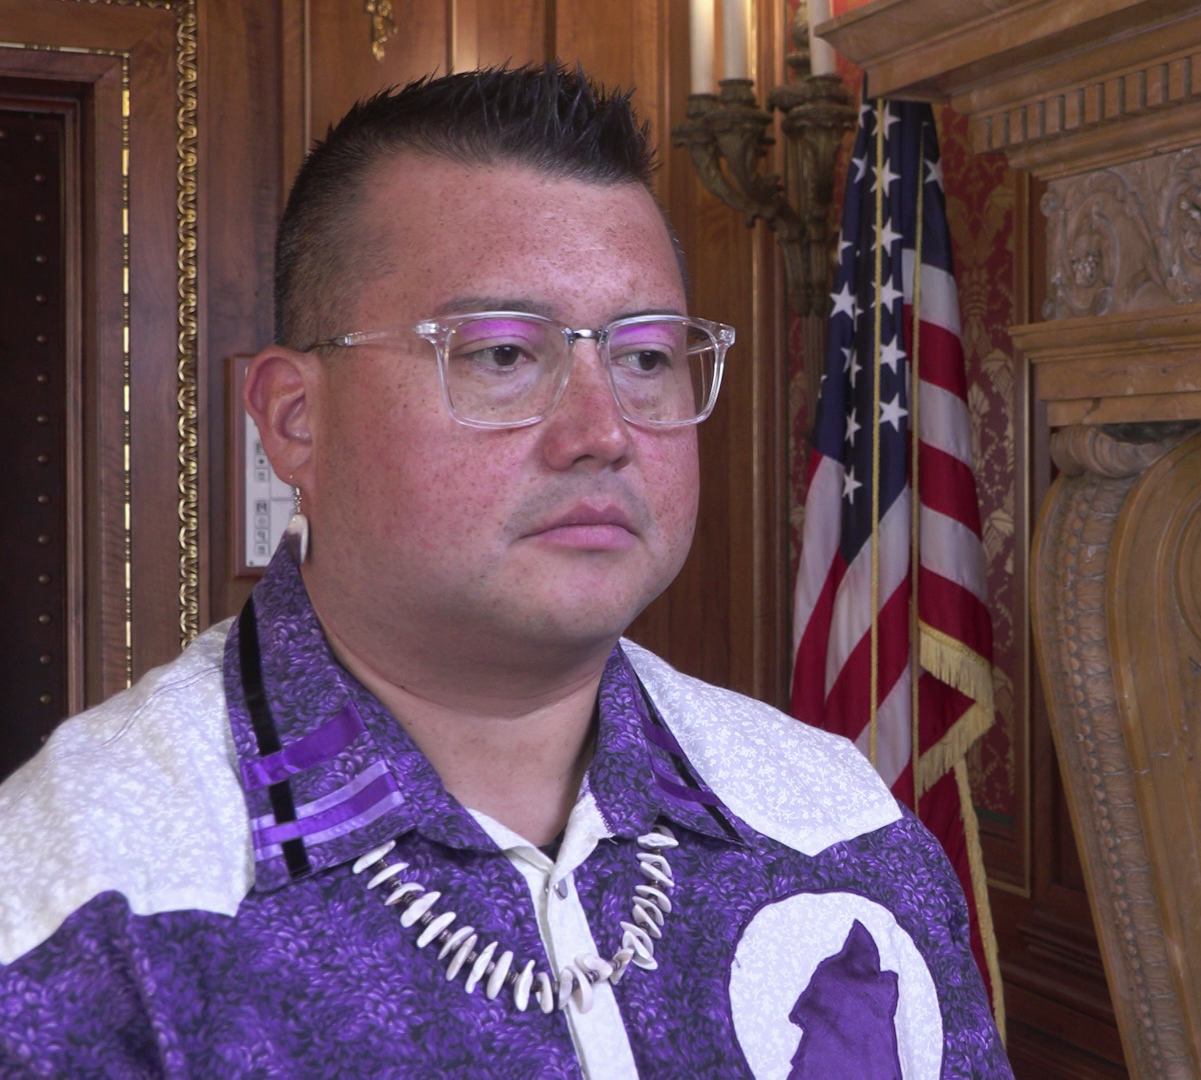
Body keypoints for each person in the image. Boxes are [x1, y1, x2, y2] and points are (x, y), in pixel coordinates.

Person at [0, 64, 1010, 1079]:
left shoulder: (830, 816)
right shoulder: (90, 900)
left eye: (648, 356)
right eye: (498, 354)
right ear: (294, 421)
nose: (602, 431)